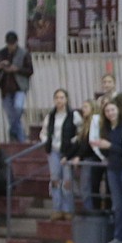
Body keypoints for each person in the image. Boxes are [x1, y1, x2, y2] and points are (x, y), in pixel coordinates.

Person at [93, 99, 122, 243]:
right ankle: (119, 235)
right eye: (107, 111)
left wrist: (110, 145)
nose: (110, 113)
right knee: (117, 204)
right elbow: (106, 151)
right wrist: (101, 146)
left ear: (118, 110)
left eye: (112, 110)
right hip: (112, 168)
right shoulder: (105, 128)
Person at [38, 89, 81, 220]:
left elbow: (80, 131)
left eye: (62, 97)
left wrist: (73, 143)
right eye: (57, 97)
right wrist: (46, 141)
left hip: (68, 151)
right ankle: (57, 208)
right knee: (55, 180)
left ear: (66, 99)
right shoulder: (50, 116)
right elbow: (43, 132)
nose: (59, 100)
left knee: (67, 181)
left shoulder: (74, 115)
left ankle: (68, 209)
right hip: (54, 151)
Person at [0, 31, 34, 143]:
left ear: (16, 43)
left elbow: (30, 70)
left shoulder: (24, 53)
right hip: (5, 88)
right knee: (10, 115)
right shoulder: (2, 53)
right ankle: (20, 137)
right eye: (9, 44)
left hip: (19, 87)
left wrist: (17, 69)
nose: (11, 46)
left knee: (18, 108)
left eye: (12, 44)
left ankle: (17, 136)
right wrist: (0, 66)